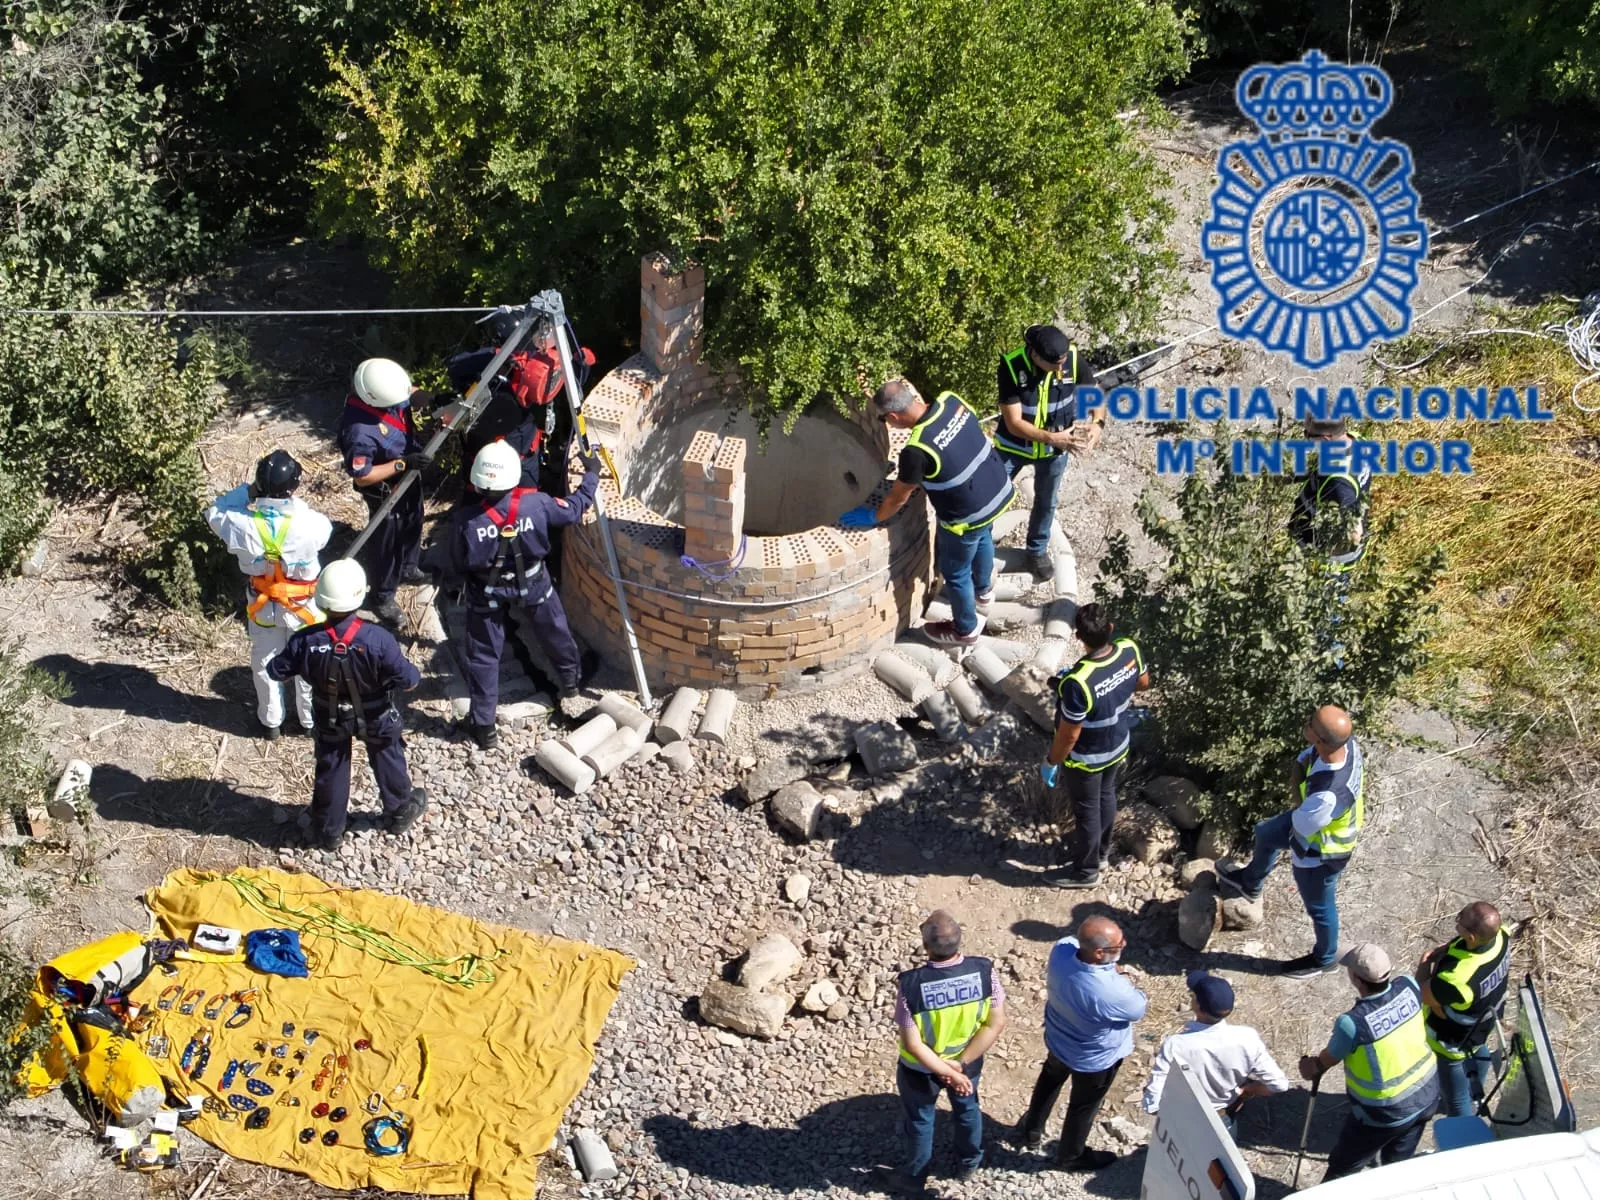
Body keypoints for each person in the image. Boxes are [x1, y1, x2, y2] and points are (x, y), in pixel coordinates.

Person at [445, 441, 600, 749]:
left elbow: (457, 562)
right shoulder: (537, 505)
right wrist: (592, 474)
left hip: (487, 593)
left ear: (477, 480)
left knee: (485, 656)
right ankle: (571, 683)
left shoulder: (465, 522)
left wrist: (461, 583)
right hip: (534, 584)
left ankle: (484, 725)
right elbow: (575, 509)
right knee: (555, 632)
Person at [266, 559, 427, 852]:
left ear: (322, 600)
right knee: (388, 755)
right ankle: (400, 811)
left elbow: (277, 671)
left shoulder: (305, 640)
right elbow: (410, 681)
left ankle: (329, 831)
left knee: (332, 765)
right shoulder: (379, 639)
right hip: (376, 714)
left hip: (330, 716)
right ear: (360, 595)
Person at [843, 379, 1015, 647]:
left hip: (966, 515)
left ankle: (965, 629)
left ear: (893, 416)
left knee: (955, 572)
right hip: (996, 489)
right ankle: (984, 591)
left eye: (886, 420)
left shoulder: (916, 451)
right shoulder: (951, 401)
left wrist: (873, 517)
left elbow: (899, 497)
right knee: (983, 539)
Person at [1216, 704, 1364, 978]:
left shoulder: (1328, 795)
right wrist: (1302, 762)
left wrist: (1296, 782)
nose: (1305, 724)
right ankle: (1250, 882)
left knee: (1320, 907)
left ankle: (1325, 958)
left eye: (1311, 724)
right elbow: (1310, 757)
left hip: (1323, 851)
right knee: (1266, 832)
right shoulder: (1347, 744)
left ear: (1320, 739)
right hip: (1312, 822)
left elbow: (1302, 821)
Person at [876, 910, 1008, 1194]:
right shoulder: (985, 971)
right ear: (960, 941)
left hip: (920, 1069)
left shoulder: (911, 985)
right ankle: (969, 1162)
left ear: (926, 947)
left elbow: (913, 1042)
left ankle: (913, 1177)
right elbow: (995, 1022)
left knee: (921, 1120)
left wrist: (945, 1070)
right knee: (967, 1109)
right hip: (967, 1061)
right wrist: (958, 1066)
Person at [205, 451, 333, 740]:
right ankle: (309, 721)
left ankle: (271, 721)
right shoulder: (310, 525)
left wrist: (249, 491)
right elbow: (325, 532)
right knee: (308, 663)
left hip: (264, 608)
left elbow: (214, 511)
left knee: (264, 664)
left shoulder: (239, 523)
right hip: (303, 608)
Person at [1015, 916, 1147, 1171]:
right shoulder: (1112, 991)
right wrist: (1120, 977)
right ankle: (1071, 1156)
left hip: (1058, 1038)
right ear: (1099, 953)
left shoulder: (1062, 952)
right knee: (1083, 1106)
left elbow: (1070, 941)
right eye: (1118, 945)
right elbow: (1138, 1008)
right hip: (1093, 1058)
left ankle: (1031, 1130)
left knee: (1049, 1081)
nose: (1124, 945)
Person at [1299, 943, 1438, 1181]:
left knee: (1343, 1170)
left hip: (1385, 1114)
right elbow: (1420, 985)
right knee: (1396, 1167)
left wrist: (1308, 1067)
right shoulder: (1408, 985)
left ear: (1357, 980)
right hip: (1428, 1096)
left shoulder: (1352, 1023)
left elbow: (1323, 1063)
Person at [1039, 604, 1150, 888]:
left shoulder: (1077, 682)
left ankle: (1086, 872)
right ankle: (1101, 854)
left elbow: (1069, 736)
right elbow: (1143, 683)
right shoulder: (1128, 649)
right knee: (1106, 796)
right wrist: (1113, 688)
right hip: (1118, 744)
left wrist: (1051, 761)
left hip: (1086, 758)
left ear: (1078, 637)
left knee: (1087, 810)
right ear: (1110, 629)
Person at [993, 324, 1103, 578]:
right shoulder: (1012, 367)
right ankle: (982, 545)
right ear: (1035, 355)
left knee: (1047, 500)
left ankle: (1036, 551)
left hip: (1055, 450)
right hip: (1014, 446)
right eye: (1054, 364)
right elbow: (1014, 423)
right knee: (992, 495)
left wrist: (1098, 423)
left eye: (1062, 363)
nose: (1059, 369)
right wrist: (1053, 438)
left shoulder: (1073, 359)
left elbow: (1092, 392)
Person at [338, 357, 434, 626]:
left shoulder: (385, 385)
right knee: (387, 542)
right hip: (385, 489)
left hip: (408, 474)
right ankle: (382, 596)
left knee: (415, 518)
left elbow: (409, 393)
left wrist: (432, 400)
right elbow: (364, 476)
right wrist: (402, 464)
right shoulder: (359, 431)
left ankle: (409, 568)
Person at [1142, 971, 1289, 1136]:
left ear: (1198, 1007)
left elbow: (1151, 1104)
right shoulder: (1248, 1038)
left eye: (1194, 996)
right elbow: (1280, 1084)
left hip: (1186, 1120)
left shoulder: (1176, 1045)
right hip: (1224, 1118)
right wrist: (1251, 1089)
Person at [1419, 901, 1510, 1118]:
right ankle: (1474, 1091)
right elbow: (1465, 944)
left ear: (1471, 937)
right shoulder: (1501, 936)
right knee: (1479, 1048)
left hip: (1451, 1040)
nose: (1456, 924)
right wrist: (1447, 949)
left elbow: (1421, 994)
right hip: (1483, 1024)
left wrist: (1423, 963)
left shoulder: (1456, 980)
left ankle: (1464, 1133)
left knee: (1456, 1099)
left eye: (1460, 923)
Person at [1289, 416, 1371, 573]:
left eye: (1309, 434)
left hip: (1330, 562)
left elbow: (1355, 532)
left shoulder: (1339, 484)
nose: (1305, 436)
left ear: (1326, 440)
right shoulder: (1357, 441)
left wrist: (1325, 554)